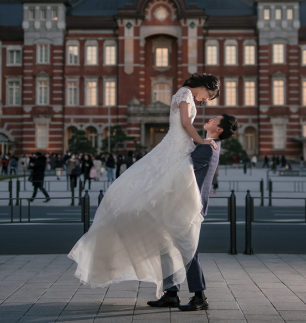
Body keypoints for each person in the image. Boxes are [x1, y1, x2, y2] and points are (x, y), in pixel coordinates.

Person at [68, 73, 222, 305]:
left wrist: (197, 144)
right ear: (203, 87)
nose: (204, 101)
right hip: (176, 151)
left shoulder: (188, 102)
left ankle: (186, 294)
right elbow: (185, 123)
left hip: (176, 156)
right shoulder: (185, 94)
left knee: (174, 240)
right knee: (169, 239)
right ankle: (174, 293)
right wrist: (199, 140)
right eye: (207, 95)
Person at [148, 113, 238, 311]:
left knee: (188, 251)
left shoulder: (207, 147)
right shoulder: (207, 144)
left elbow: (182, 169)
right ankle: (171, 293)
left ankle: (200, 296)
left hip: (187, 207)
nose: (210, 118)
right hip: (180, 204)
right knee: (166, 246)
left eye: (215, 118)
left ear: (219, 129)